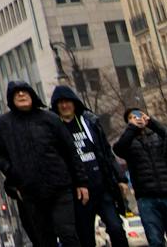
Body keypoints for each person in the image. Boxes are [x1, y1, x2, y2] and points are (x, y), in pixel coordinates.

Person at [0, 80, 90, 247]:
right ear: (11, 99)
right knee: (43, 238)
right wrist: (13, 174)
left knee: (67, 232)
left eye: (24, 91)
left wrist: (81, 182)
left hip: (60, 187)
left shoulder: (50, 119)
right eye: (16, 93)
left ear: (32, 95)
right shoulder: (3, 125)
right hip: (30, 191)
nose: (21, 95)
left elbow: (70, 151)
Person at [54, 86, 130, 247]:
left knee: (116, 228)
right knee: (85, 237)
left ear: (74, 103)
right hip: (78, 194)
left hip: (102, 187)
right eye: (60, 103)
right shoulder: (54, 129)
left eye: (67, 101)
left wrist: (120, 178)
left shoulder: (90, 123)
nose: (64, 106)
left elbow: (106, 153)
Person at [116, 107, 167, 247]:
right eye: (132, 117)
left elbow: (166, 133)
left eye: (139, 115)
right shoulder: (128, 142)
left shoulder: (158, 136)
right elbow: (118, 149)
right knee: (155, 240)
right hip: (146, 198)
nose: (137, 118)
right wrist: (132, 128)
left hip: (166, 192)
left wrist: (151, 122)